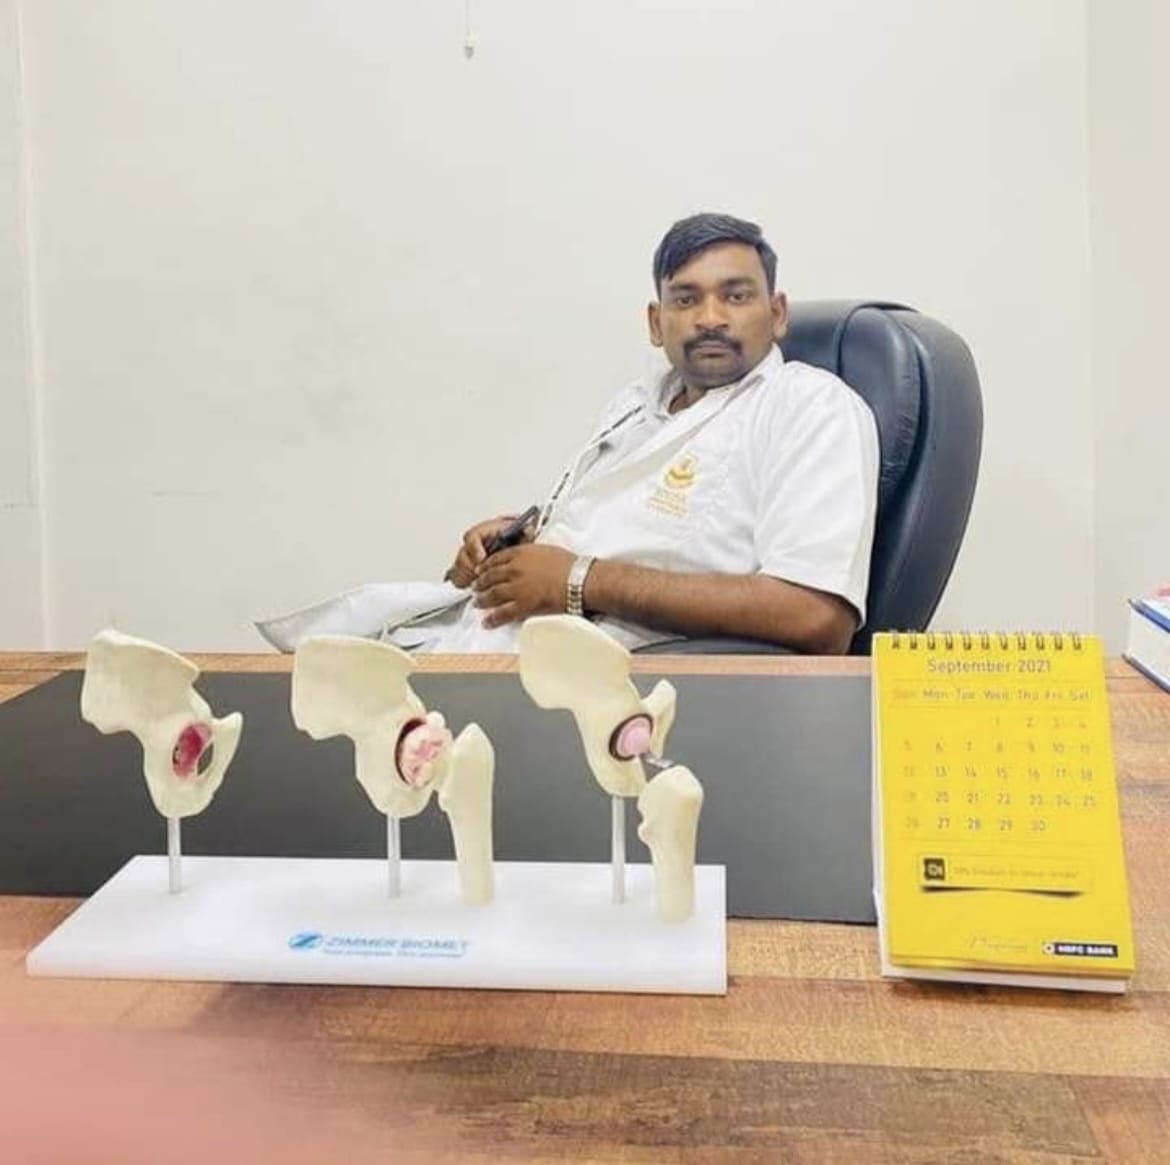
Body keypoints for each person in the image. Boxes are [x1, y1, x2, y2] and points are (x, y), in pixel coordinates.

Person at [423, 212, 880, 655]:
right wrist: (514, 551)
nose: (710, 318)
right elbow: (619, 533)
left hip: (592, 680)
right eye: (686, 300)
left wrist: (580, 579)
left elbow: (818, 617)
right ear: (656, 323)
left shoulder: (810, 406)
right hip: (474, 644)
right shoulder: (633, 405)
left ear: (777, 314)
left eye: (736, 296)